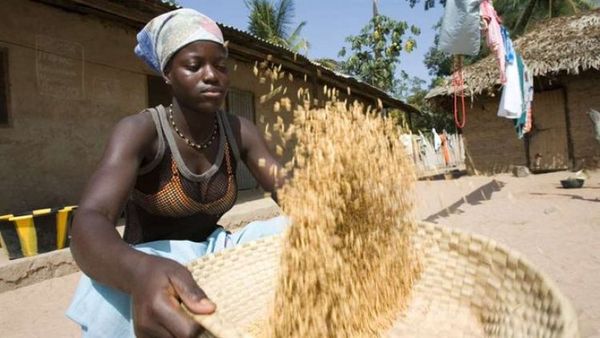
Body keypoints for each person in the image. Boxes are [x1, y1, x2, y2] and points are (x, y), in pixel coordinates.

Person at [66, 8, 287, 338]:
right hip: (151, 260)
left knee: (300, 231)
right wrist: (139, 272)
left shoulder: (240, 131)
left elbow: (293, 193)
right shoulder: (141, 131)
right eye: (195, 66)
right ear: (168, 74)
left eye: (221, 66)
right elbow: (90, 220)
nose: (212, 75)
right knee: (104, 289)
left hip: (214, 253)